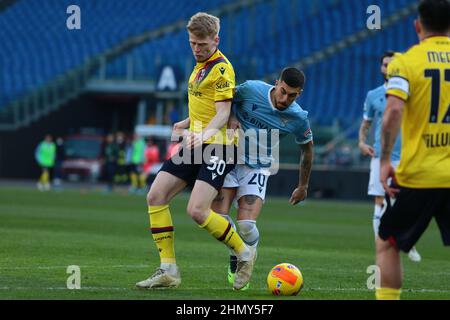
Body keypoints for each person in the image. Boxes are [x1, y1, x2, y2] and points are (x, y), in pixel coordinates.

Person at [136, 12, 256, 290]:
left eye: (202, 44)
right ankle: (168, 270)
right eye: (192, 43)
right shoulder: (199, 66)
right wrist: (188, 122)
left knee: (197, 211)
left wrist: (202, 133)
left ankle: (244, 252)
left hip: (220, 145)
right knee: (155, 195)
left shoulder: (222, 69)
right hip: (197, 140)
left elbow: (223, 113)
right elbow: (207, 105)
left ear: (216, 39)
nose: (196, 49)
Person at [211, 67, 314, 289]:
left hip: (257, 167)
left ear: (300, 94)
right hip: (229, 156)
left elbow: (307, 151)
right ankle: (238, 252)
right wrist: (232, 117)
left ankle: (244, 257)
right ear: (276, 83)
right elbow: (223, 100)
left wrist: (303, 186)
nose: (285, 99)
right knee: (217, 220)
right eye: (283, 91)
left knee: (246, 226)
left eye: (292, 95)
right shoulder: (251, 89)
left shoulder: (298, 118)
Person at [377, 0, 450, 300]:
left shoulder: (405, 62)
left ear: (417, 25)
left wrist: (384, 159)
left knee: (387, 242)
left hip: (419, 175)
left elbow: (393, 111)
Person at [359, 51, 421, 262]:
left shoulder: (411, 93)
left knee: (408, 201)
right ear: (381, 68)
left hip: (407, 154)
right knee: (379, 200)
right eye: (386, 64)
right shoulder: (373, 95)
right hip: (381, 156)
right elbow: (366, 123)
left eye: (393, 64)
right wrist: (361, 142)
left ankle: (408, 241)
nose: (389, 68)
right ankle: (381, 242)